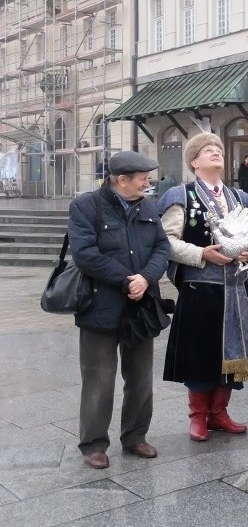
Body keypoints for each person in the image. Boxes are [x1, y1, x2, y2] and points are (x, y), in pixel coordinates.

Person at [68, 151, 171, 469]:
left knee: (141, 377)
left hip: (140, 308)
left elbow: (162, 246)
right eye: (142, 177)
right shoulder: (86, 206)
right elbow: (85, 253)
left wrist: (147, 277)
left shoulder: (147, 205)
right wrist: (128, 280)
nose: (147, 182)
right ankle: (94, 444)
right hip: (101, 306)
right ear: (121, 180)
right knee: (99, 378)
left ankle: (136, 436)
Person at [158, 133, 248, 443]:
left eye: (218, 149)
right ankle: (198, 416)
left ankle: (220, 412)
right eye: (207, 150)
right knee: (201, 352)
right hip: (201, 288)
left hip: (234, 288)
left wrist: (247, 251)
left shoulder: (240, 197)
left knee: (231, 353)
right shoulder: (182, 195)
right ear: (194, 161)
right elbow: (167, 241)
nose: (216, 152)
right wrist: (202, 253)